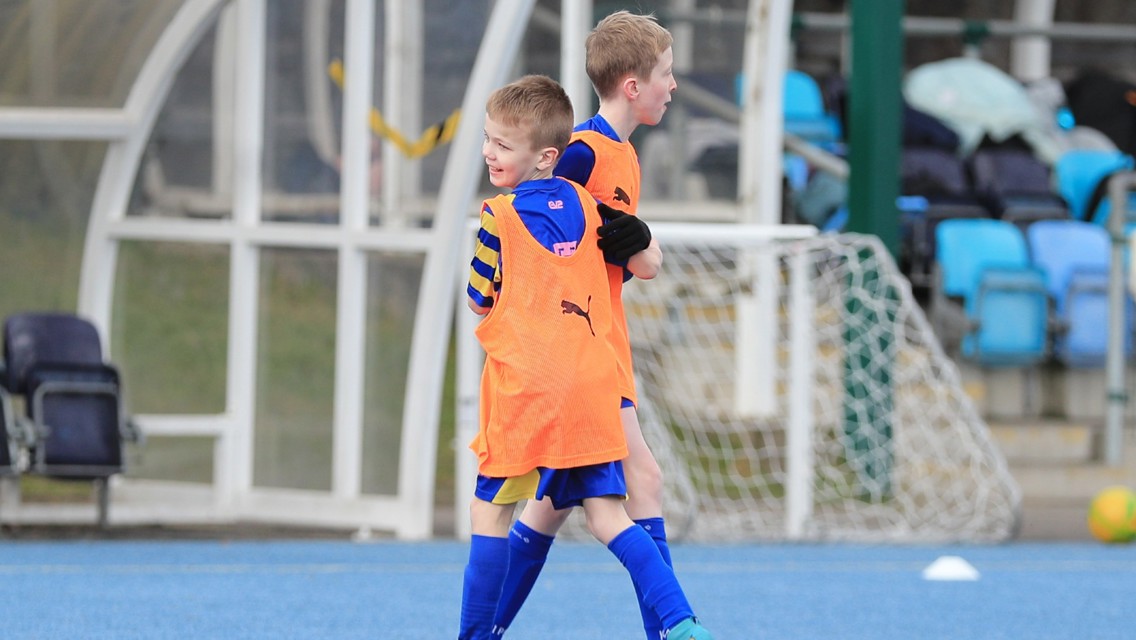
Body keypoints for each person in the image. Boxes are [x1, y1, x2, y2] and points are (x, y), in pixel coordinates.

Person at [459, 75, 710, 640]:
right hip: (593, 387)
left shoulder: (497, 216)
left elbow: (479, 300)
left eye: (500, 143)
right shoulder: (588, 205)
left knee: (491, 515)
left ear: (546, 155)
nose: (488, 151)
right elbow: (639, 259)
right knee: (607, 517)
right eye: (488, 139)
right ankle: (683, 625)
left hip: (528, 392)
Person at [491, 11, 681, 640]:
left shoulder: (622, 155)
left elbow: (639, 257)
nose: (673, 86)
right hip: (580, 349)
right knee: (642, 479)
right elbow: (540, 223)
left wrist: (637, 244)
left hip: (602, 341)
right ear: (632, 86)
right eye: (665, 74)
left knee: (549, 509)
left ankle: (482, 632)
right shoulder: (581, 152)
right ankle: (675, 630)